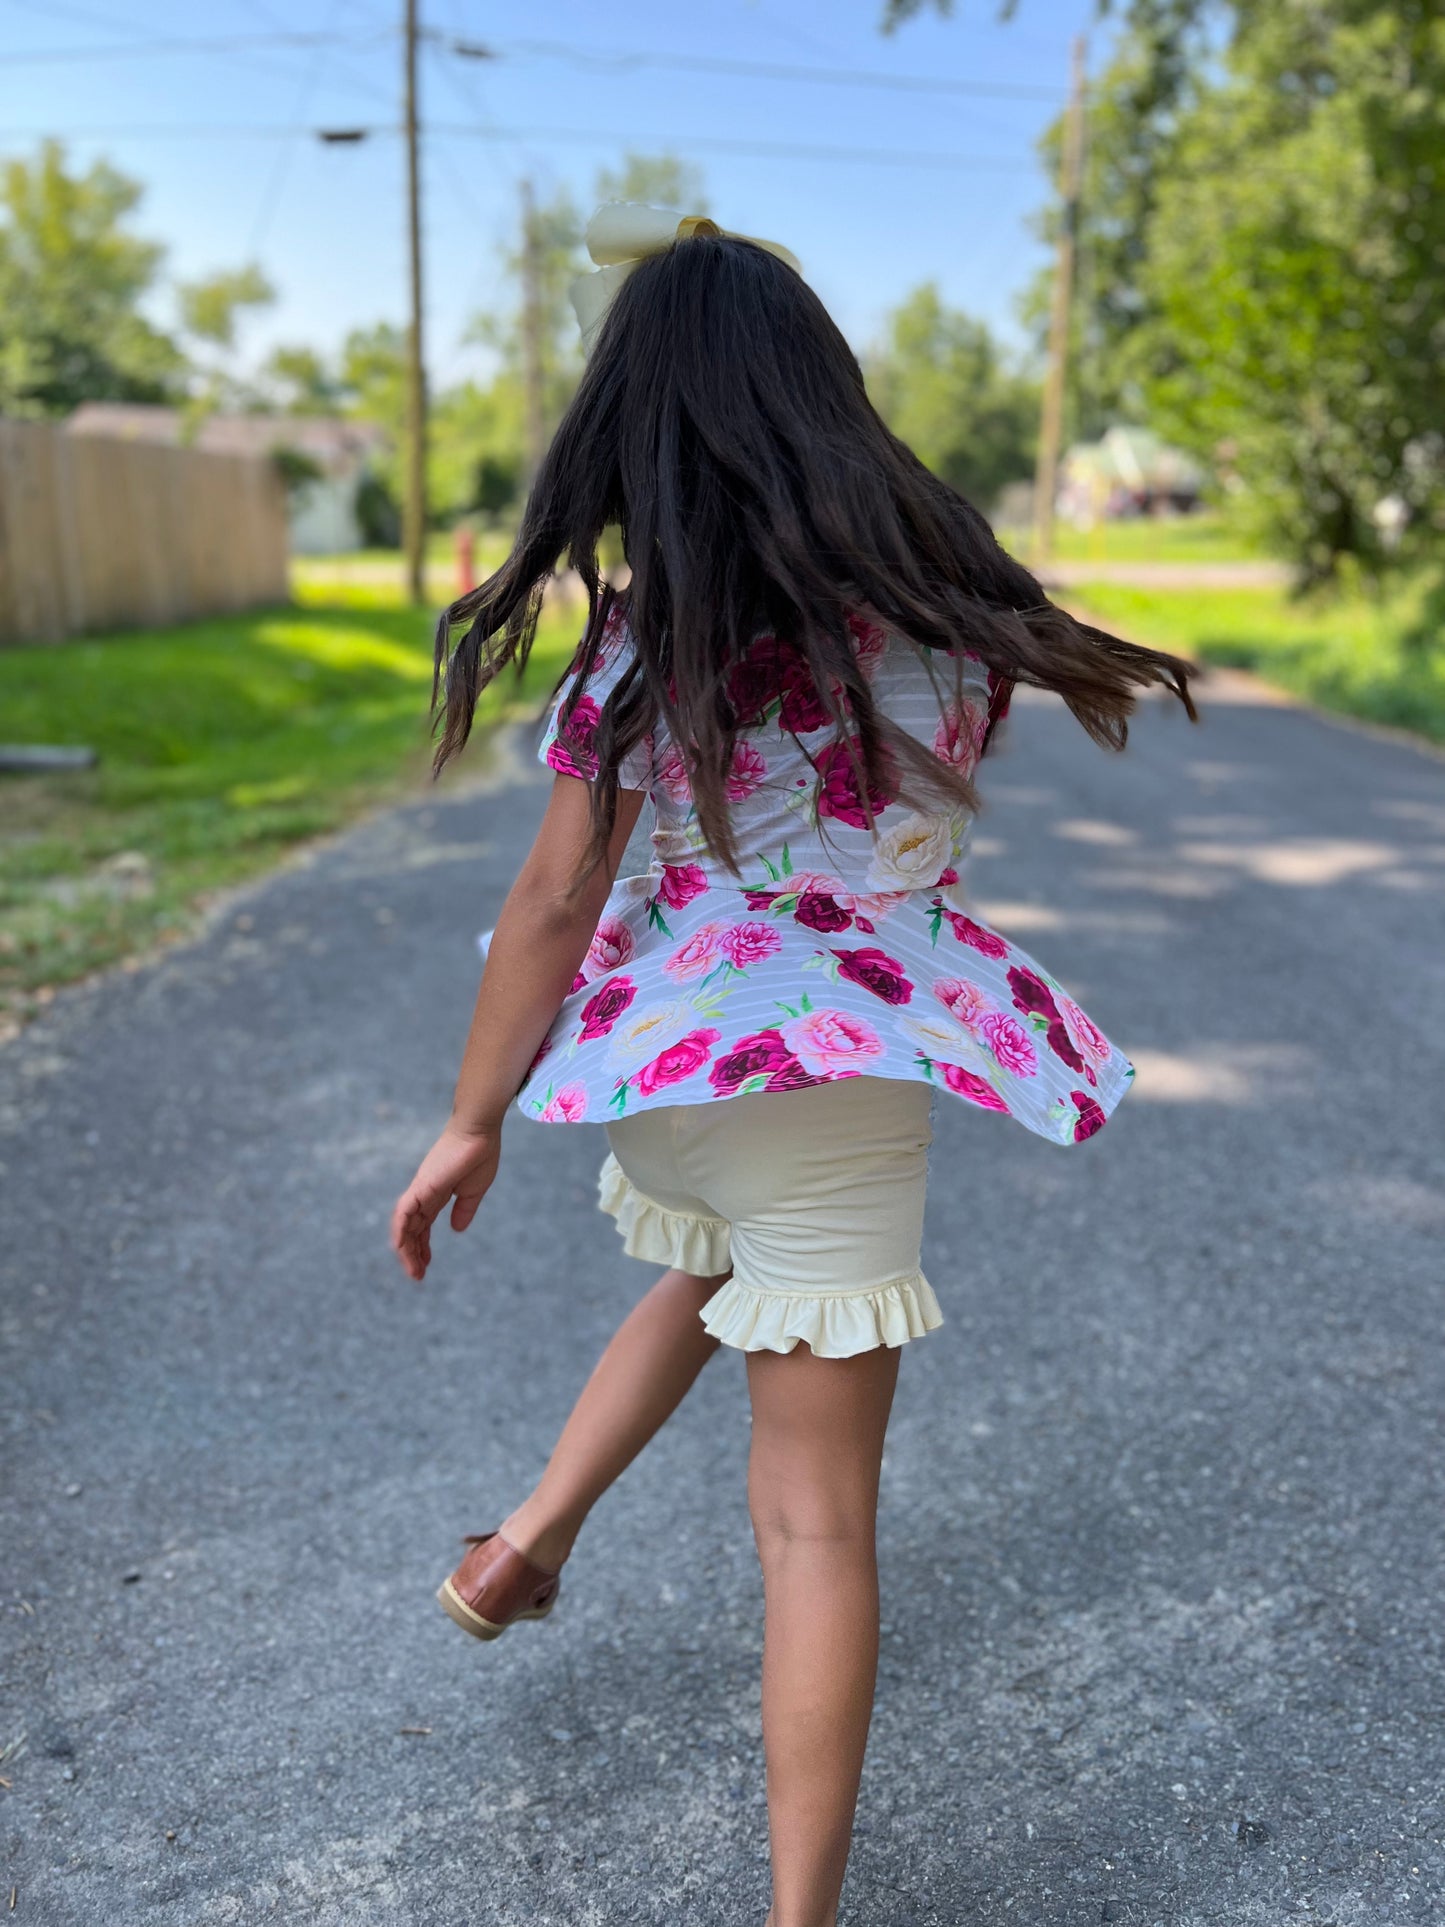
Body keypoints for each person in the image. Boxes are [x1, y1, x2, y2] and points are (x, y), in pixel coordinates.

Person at [390, 205, 1196, 1927]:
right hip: (827, 1089)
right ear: (825, 402)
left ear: (636, 428)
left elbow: (553, 898)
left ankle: (521, 1546)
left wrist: (469, 1123)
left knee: (719, 1266)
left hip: (669, 1077)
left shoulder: (641, 636)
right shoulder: (950, 608)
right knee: (815, 1530)